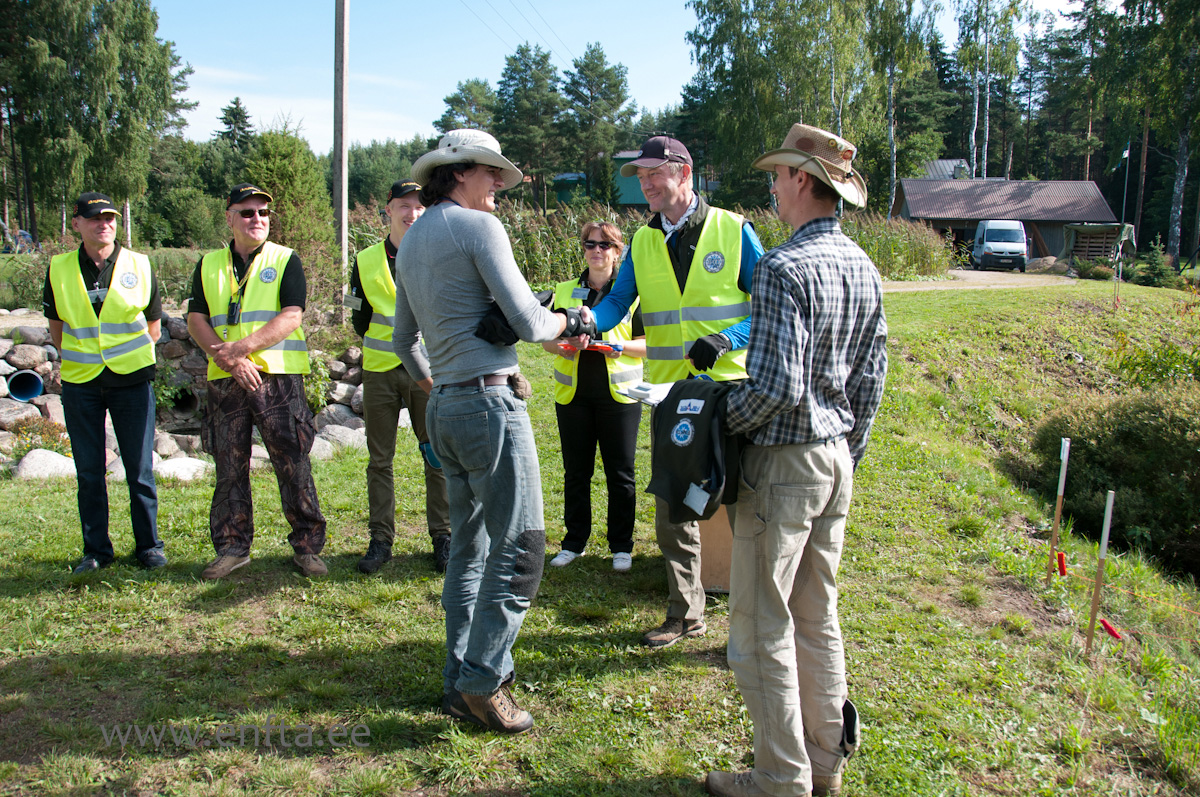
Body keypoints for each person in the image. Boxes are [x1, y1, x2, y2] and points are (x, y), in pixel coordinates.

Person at [704, 124, 887, 797]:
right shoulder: (864, 266)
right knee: (818, 616)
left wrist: (723, 415)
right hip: (836, 458)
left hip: (785, 465)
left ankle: (781, 776)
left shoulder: (783, 267)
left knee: (760, 626)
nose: (774, 187)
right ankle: (825, 764)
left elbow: (776, 387)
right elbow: (872, 381)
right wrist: (846, 452)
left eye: (780, 176)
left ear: (804, 182)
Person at [393, 129, 595, 734]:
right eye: (493, 177)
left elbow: (402, 341)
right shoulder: (478, 228)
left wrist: (446, 386)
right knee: (522, 549)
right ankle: (484, 681)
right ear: (459, 173)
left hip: (447, 410)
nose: (501, 189)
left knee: (471, 550)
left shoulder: (408, 241)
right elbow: (532, 322)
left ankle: (459, 681)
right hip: (488, 411)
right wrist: (576, 317)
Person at [585, 135, 765, 649]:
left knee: (746, 509)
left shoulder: (734, 230)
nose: (644, 184)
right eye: (639, 177)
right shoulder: (642, 241)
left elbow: (775, 304)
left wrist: (727, 338)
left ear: (684, 173)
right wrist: (580, 321)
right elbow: (617, 304)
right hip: (670, 396)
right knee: (674, 509)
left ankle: (756, 628)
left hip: (733, 392)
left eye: (653, 174)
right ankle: (685, 615)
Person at [187, 183, 327, 580]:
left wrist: (240, 349)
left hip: (278, 380)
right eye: (247, 213)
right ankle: (232, 548)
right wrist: (228, 358)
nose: (257, 220)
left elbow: (291, 316)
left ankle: (307, 547)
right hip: (227, 379)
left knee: (292, 462)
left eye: (264, 213)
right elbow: (196, 319)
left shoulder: (286, 260)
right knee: (229, 466)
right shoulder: (208, 264)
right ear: (229, 217)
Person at [44, 192, 166, 574]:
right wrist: (87, 358)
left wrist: (122, 356)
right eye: (95, 218)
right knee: (89, 471)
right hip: (81, 383)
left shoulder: (140, 264)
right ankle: (96, 551)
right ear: (77, 223)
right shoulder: (59, 268)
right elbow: (57, 328)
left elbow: (154, 326)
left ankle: (149, 547)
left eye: (110, 218)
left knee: (139, 470)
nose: (105, 225)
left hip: (131, 381)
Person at [347, 179, 451, 574]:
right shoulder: (364, 260)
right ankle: (380, 539)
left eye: (420, 206)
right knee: (380, 460)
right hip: (380, 371)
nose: (412, 213)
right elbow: (358, 314)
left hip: (427, 370)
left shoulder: (439, 253)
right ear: (387, 210)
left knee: (436, 455)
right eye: (404, 206)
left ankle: (443, 537)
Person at [543, 222, 646, 572]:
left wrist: (621, 348)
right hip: (573, 396)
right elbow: (545, 339)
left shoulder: (632, 292)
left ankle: (621, 546)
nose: (596, 250)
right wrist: (562, 346)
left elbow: (650, 344)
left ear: (617, 252)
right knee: (576, 472)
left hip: (619, 397)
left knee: (621, 474)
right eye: (590, 244)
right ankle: (574, 542)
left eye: (605, 245)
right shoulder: (565, 289)